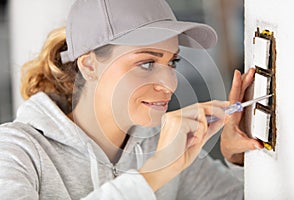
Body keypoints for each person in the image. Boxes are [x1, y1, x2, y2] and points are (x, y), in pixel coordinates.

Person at [0, 0, 263, 199]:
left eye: (173, 62)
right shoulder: (16, 151)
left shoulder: (162, 145)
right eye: (147, 63)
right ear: (89, 65)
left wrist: (237, 158)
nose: (170, 83)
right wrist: (156, 172)